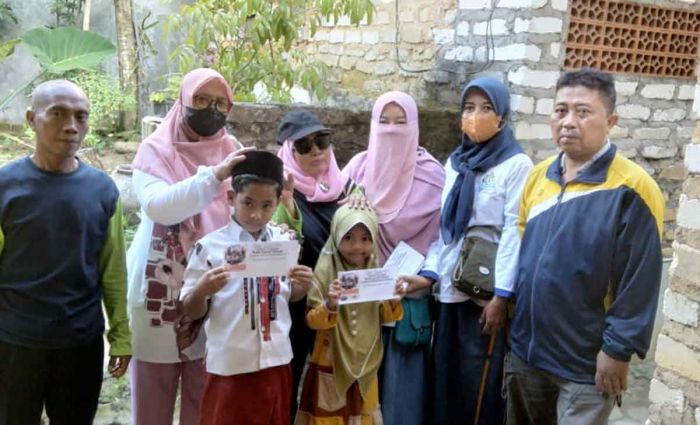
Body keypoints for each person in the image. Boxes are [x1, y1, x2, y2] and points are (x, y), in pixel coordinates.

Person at [506, 68, 665, 425]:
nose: (568, 122)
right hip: (527, 351)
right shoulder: (539, 176)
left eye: (582, 111)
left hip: (585, 363)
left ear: (610, 120)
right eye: (560, 111)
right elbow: (520, 246)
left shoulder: (632, 189)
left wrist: (617, 349)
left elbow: (639, 279)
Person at [402, 77, 532, 425]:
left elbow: (513, 234)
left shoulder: (516, 165)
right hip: (450, 288)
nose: (476, 115)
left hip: (486, 294)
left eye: (486, 108)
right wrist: (429, 274)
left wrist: (502, 296)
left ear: (502, 117)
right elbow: (446, 229)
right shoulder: (455, 163)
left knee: (480, 382)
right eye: (469, 108)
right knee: (445, 375)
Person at [0, 79, 131, 424]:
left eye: (80, 116)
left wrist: (121, 335)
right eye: (57, 114)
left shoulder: (103, 191)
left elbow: (112, 269)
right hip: (14, 342)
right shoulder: (5, 187)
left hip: (80, 342)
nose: (71, 126)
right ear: (31, 118)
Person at [128, 68, 247, 425]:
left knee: (203, 399)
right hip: (158, 293)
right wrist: (214, 176)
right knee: (153, 401)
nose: (211, 109)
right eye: (201, 100)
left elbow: (247, 214)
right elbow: (159, 206)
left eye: (220, 103)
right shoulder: (155, 150)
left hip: (214, 292)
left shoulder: (233, 150)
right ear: (182, 101)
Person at [181, 150, 314, 425]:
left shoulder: (283, 242)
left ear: (278, 202)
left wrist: (303, 286)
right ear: (231, 199)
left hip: (276, 360)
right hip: (230, 365)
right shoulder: (210, 248)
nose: (256, 214)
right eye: (248, 203)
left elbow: (288, 296)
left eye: (267, 205)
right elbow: (191, 310)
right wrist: (203, 289)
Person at [342, 91, 444, 425]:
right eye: (383, 122)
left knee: (401, 398)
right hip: (360, 304)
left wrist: (427, 276)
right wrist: (350, 210)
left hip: (407, 304)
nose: (391, 130)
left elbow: (446, 239)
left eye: (401, 122)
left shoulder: (433, 175)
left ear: (415, 126)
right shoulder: (357, 169)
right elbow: (337, 229)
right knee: (357, 397)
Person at [273, 109, 363, 419]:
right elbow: (277, 247)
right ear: (288, 151)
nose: (316, 151)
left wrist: (361, 205)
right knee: (289, 383)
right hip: (296, 308)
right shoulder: (279, 192)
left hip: (338, 305)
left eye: (322, 141)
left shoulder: (348, 189)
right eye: (304, 145)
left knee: (333, 391)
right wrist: (285, 206)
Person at [295, 205, 406, 424]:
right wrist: (330, 305)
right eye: (348, 237)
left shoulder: (375, 272)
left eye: (366, 238)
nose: (357, 247)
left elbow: (384, 316)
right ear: (336, 236)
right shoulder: (325, 271)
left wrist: (393, 299)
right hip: (329, 363)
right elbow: (311, 320)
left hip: (365, 365)